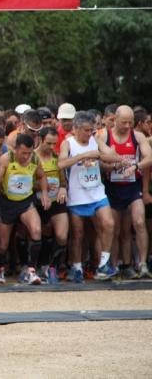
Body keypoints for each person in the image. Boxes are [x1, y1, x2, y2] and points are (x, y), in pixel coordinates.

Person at [58, 111, 122, 282]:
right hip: (77, 195)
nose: (89, 133)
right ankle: (77, 267)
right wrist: (83, 156)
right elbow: (61, 163)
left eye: (91, 130)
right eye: (86, 130)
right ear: (76, 129)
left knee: (108, 223)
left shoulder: (95, 140)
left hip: (97, 193)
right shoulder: (68, 144)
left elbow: (115, 157)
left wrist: (99, 156)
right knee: (77, 234)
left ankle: (104, 264)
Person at [98, 105, 152, 278]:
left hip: (132, 187)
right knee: (115, 229)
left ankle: (140, 264)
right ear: (115, 120)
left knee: (138, 223)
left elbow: (149, 157)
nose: (128, 126)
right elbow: (99, 162)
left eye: (131, 122)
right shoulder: (104, 136)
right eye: (124, 122)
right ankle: (114, 266)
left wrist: (136, 166)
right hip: (112, 189)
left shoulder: (138, 136)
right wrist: (113, 166)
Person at [0, 134, 48, 285]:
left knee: (36, 230)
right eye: (23, 153)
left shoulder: (35, 159)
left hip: (25, 201)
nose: (26, 156)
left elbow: (42, 176)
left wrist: (44, 194)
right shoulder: (7, 158)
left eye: (29, 153)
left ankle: (31, 271)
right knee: (3, 244)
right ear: (16, 149)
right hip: (7, 203)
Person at [35, 127, 69, 283]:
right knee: (42, 233)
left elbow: (63, 180)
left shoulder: (57, 157)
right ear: (40, 140)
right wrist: (42, 186)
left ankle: (53, 266)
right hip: (37, 201)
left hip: (56, 201)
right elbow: (24, 181)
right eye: (48, 143)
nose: (51, 147)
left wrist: (62, 188)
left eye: (54, 144)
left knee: (62, 235)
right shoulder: (32, 157)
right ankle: (39, 265)